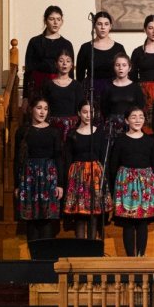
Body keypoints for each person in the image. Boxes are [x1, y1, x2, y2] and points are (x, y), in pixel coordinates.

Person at [107, 107, 154, 257]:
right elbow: (113, 165)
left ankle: (140, 258)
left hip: (144, 184)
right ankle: (129, 260)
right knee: (128, 222)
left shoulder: (150, 141)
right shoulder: (121, 140)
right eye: (134, 116)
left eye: (141, 117)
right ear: (126, 120)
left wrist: (146, 182)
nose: (137, 120)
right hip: (126, 184)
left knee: (142, 222)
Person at [15, 96, 64, 241]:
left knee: (47, 217)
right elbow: (17, 159)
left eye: (45, 109)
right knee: (31, 219)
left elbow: (59, 158)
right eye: (39, 108)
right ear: (31, 110)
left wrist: (60, 184)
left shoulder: (54, 132)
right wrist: (16, 185)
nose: (42, 112)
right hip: (29, 177)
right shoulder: (23, 131)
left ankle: (46, 259)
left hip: (48, 177)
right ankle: (34, 260)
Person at [63, 100, 110, 241]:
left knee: (93, 213)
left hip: (95, 175)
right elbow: (68, 158)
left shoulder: (100, 133)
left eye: (91, 112)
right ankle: (80, 250)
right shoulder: (72, 134)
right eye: (84, 112)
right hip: (78, 176)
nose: (88, 115)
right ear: (79, 113)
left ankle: (92, 248)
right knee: (80, 214)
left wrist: (105, 180)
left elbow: (103, 158)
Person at [76, 11, 126, 116]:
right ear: (94, 26)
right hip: (91, 90)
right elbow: (80, 75)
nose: (103, 27)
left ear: (110, 26)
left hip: (113, 89)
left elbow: (124, 72)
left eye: (106, 24)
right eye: (99, 24)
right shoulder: (85, 48)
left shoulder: (119, 48)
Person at [24, 6, 75, 102]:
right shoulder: (34, 42)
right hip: (38, 86)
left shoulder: (66, 44)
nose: (55, 23)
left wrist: (71, 91)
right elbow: (28, 70)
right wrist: (25, 97)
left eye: (58, 19)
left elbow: (70, 71)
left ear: (62, 22)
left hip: (60, 85)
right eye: (52, 19)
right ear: (45, 20)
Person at [99, 52, 146, 134]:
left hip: (130, 126)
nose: (121, 68)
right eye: (117, 65)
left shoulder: (136, 87)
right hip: (112, 127)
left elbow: (140, 107)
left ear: (129, 68)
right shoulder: (108, 87)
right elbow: (104, 109)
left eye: (124, 65)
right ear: (114, 67)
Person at [43, 50, 80, 141]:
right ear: (56, 64)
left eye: (68, 61)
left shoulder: (77, 85)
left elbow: (80, 108)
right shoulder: (48, 85)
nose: (64, 64)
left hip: (72, 127)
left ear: (71, 65)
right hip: (53, 125)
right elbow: (44, 106)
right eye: (61, 61)